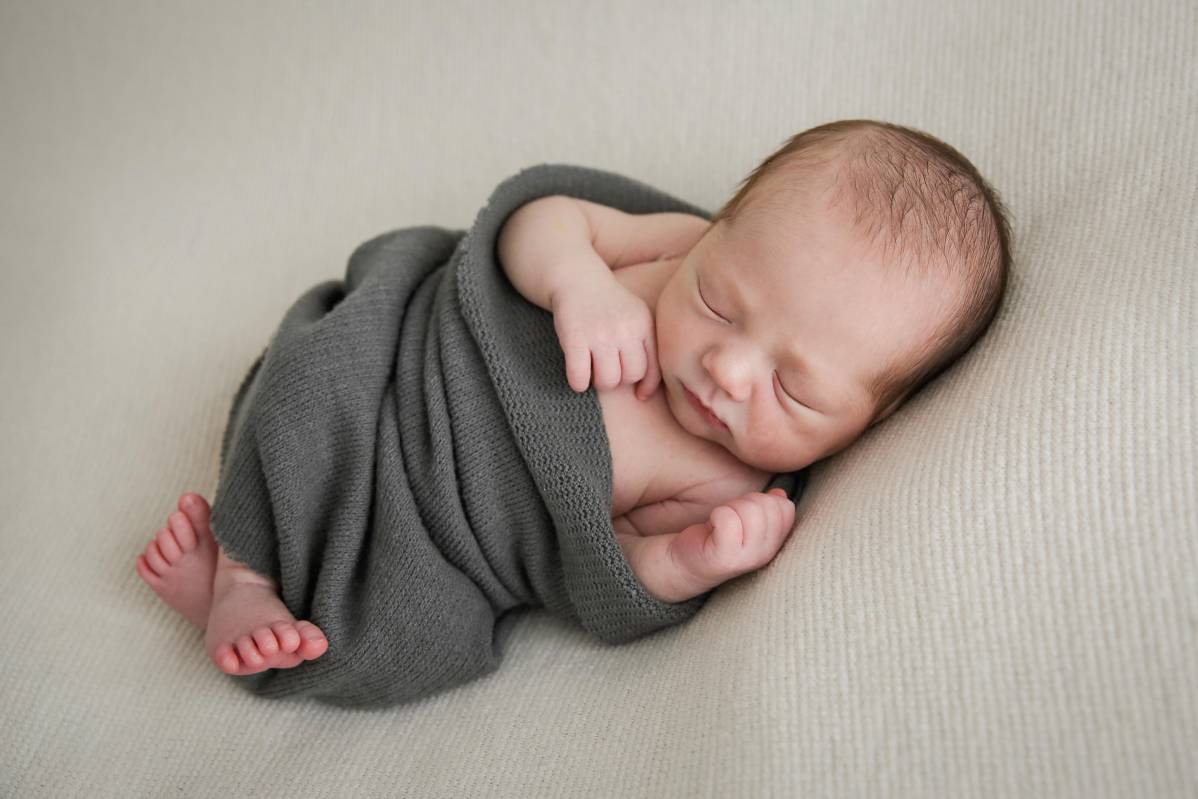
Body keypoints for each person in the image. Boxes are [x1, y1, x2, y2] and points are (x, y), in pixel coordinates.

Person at [135, 118, 1011, 676]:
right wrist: (576, 283)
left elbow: (614, 571)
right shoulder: (673, 243)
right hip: (410, 363)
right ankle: (243, 564)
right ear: (720, 231)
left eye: (793, 387)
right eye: (717, 302)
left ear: (870, 421)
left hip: (448, 526)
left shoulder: (730, 487)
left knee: (418, 631)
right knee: (312, 382)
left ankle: (245, 599)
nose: (730, 370)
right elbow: (541, 219)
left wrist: (694, 560)